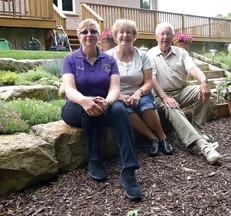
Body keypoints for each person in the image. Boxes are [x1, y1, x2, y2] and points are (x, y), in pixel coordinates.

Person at [61, 18, 142, 201]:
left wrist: (107, 102)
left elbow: (115, 88)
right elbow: (70, 89)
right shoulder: (70, 59)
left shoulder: (109, 60)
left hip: (103, 103)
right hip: (75, 106)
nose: (89, 35)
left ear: (99, 35)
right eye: (84, 32)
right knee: (87, 112)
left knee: (120, 110)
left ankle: (128, 172)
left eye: (93, 31)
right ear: (78, 36)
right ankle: (95, 159)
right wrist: (84, 101)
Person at [147, 22, 221, 164]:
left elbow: (193, 68)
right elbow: (152, 79)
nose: (165, 37)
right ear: (156, 37)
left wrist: (204, 82)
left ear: (173, 37)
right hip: (160, 95)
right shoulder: (150, 55)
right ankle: (203, 146)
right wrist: (164, 97)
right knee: (171, 106)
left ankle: (198, 129)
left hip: (181, 91)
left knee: (203, 91)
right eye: (162, 34)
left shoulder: (181, 52)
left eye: (168, 33)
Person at [106, 19, 173, 157]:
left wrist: (138, 93)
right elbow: (105, 84)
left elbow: (148, 81)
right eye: (121, 32)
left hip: (141, 92)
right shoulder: (108, 57)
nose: (125, 35)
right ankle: (152, 138)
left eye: (129, 32)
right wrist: (120, 96)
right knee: (125, 110)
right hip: (118, 95)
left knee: (146, 106)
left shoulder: (143, 56)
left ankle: (162, 138)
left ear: (134, 35)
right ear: (115, 35)